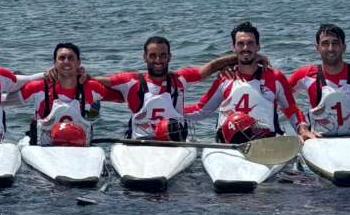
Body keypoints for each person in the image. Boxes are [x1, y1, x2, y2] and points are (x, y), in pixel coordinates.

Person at [97, 36, 243, 141]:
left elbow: (211, 67)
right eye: (153, 56)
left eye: (163, 55)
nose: (158, 60)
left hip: (174, 142)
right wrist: (84, 76)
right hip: (140, 142)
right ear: (145, 57)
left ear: (169, 57)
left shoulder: (180, 79)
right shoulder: (131, 81)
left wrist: (243, 59)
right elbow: (95, 82)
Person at [185, 22, 310, 143]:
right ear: (233, 47)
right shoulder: (225, 78)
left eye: (250, 43)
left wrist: (303, 130)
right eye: (240, 44)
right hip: (229, 145)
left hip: (266, 143)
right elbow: (200, 111)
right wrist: (175, 111)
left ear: (258, 46)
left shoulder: (275, 77)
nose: (245, 48)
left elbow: (291, 110)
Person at [3, 43, 120, 146]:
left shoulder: (92, 87)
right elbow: (2, 101)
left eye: (71, 58)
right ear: (54, 63)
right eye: (62, 58)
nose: (66, 61)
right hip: (42, 148)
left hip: (80, 147)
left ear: (79, 62)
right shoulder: (38, 87)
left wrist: (92, 77)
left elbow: (122, 96)